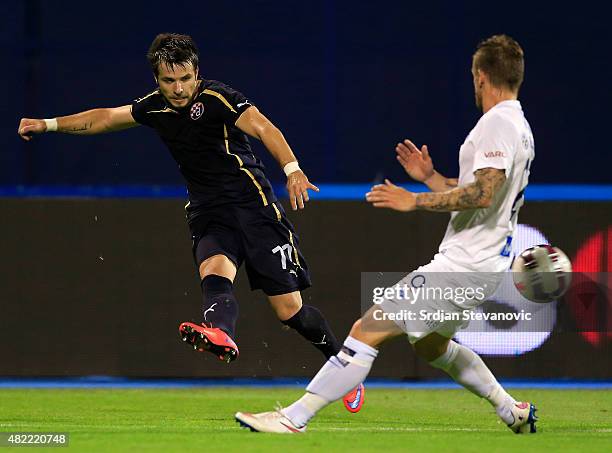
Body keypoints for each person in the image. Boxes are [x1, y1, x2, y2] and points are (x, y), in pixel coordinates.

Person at [17, 32, 364, 413]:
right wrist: (48, 123)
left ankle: (345, 370)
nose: (178, 88)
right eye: (169, 81)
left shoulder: (217, 97)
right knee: (214, 274)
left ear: (197, 73)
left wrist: (293, 169)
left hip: (255, 209)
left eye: (184, 78)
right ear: (157, 80)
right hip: (208, 211)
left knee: (290, 312)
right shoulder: (154, 109)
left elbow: (263, 126)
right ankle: (220, 332)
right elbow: (105, 118)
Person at [235, 34, 538, 434]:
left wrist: (413, 200)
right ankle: (510, 409)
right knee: (433, 346)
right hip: (484, 264)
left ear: (481, 76)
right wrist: (431, 177)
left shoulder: (497, 123)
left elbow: (483, 194)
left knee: (367, 328)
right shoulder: (519, 125)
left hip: (463, 265)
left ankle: (294, 417)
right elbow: (483, 190)